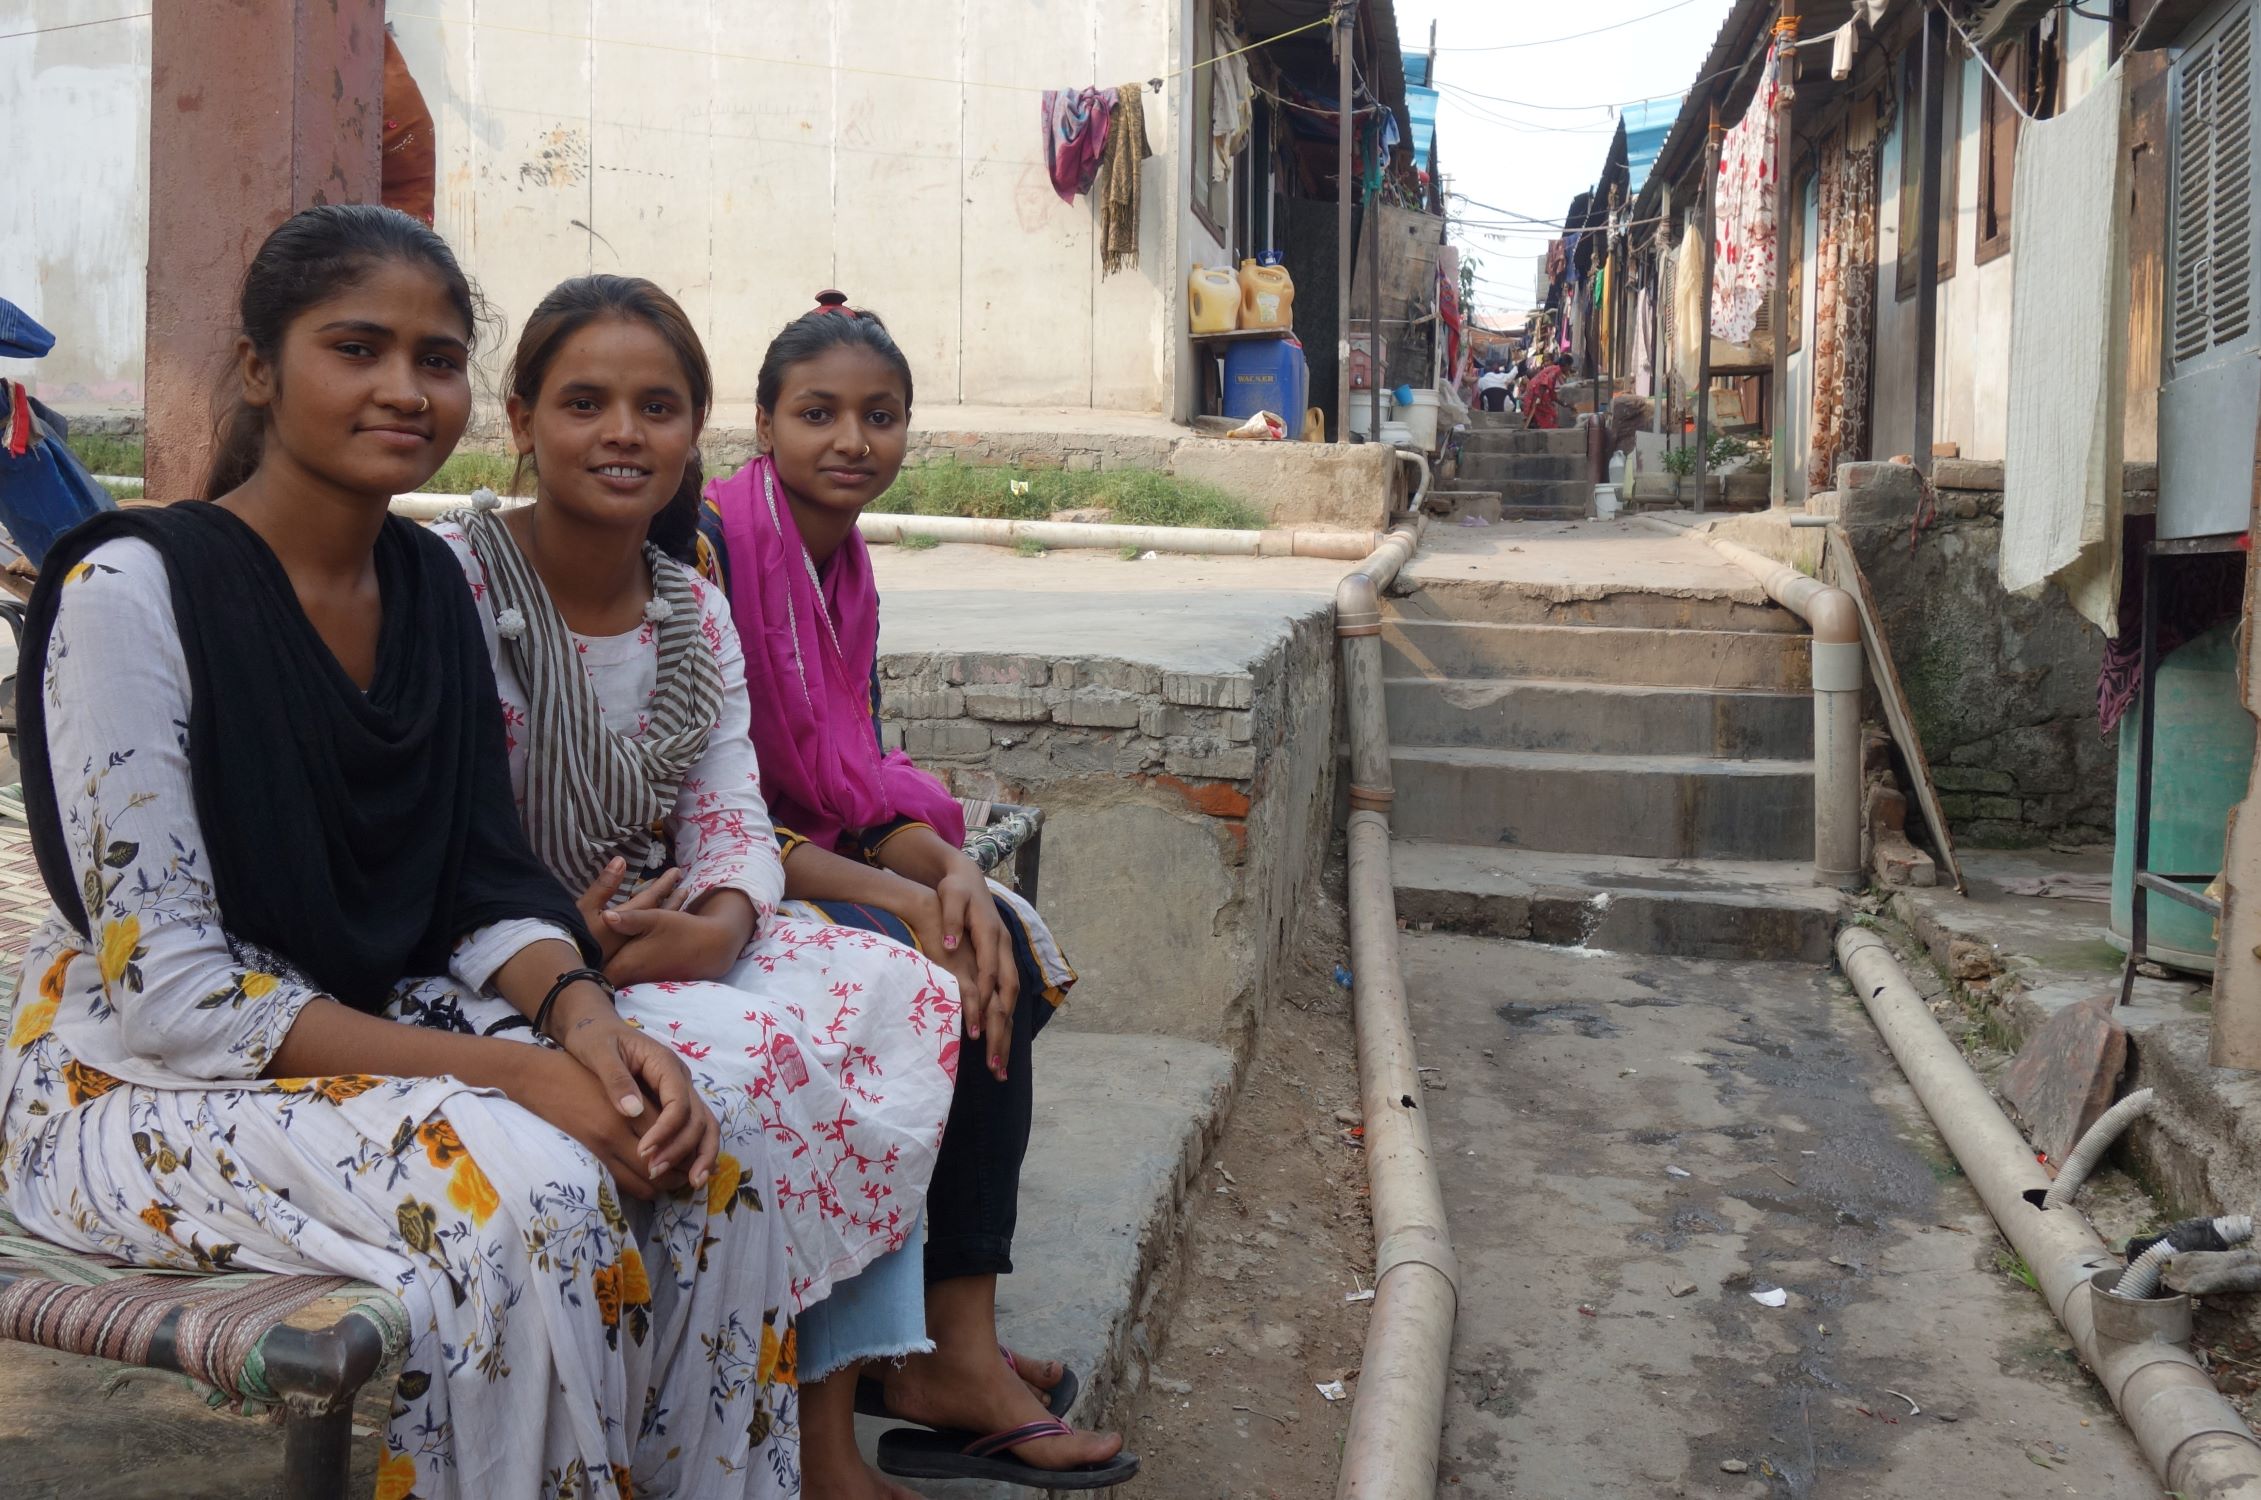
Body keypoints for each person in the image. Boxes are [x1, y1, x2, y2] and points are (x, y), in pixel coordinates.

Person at [0, 205, 802, 1500]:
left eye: (435, 360)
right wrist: (520, 1078)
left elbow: (484, 880)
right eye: (356, 347)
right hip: (127, 1086)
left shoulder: (430, 588)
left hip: (366, 1024)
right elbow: (177, 995)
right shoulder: (132, 594)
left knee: (704, 1156)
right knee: (531, 1204)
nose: (402, 388)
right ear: (261, 367)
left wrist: (591, 1028)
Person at [428, 273, 963, 1500]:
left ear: (694, 433)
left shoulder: (692, 612)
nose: (623, 432)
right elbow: (444, 827)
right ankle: (700, 1436)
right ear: (520, 419)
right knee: (764, 1063)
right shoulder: (450, 587)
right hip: (509, 944)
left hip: (672, 923)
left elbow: (729, 810)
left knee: (900, 991)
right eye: (585, 402)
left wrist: (719, 923)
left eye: (657, 406)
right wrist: (576, 938)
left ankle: (816, 1418)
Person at [698, 294, 1135, 1491]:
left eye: (878, 417)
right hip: (715, 873)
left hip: (811, 854)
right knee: (946, 986)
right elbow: (723, 804)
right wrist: (902, 905)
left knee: (1009, 953)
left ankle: (939, 1344)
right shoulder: (710, 549)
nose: (851, 441)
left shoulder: (843, 572)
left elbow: (857, 777)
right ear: (762, 423)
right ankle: (945, 1357)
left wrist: (947, 870)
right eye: (818, 414)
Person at [1525, 352, 1572, 431]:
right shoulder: (1555, 371)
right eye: (1570, 366)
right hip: (1536, 391)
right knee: (1550, 414)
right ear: (1567, 365)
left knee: (1549, 413)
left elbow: (1552, 394)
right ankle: (1550, 431)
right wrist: (1538, 399)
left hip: (1536, 391)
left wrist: (1564, 404)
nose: (1569, 369)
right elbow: (1544, 385)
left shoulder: (1555, 370)